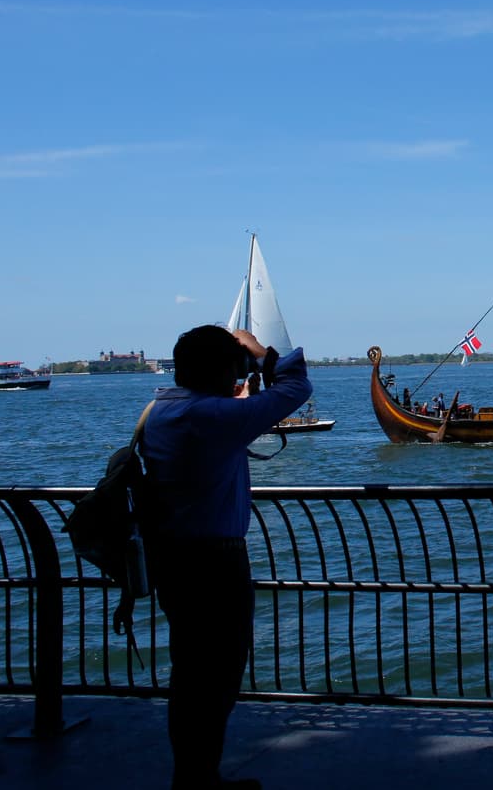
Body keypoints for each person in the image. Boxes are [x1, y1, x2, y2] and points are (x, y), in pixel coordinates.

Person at [142, 325, 312, 790]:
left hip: (175, 559)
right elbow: (297, 387)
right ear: (227, 368)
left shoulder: (165, 410)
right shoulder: (210, 417)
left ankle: (194, 775)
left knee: (191, 674)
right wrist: (262, 353)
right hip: (215, 563)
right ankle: (200, 779)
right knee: (217, 675)